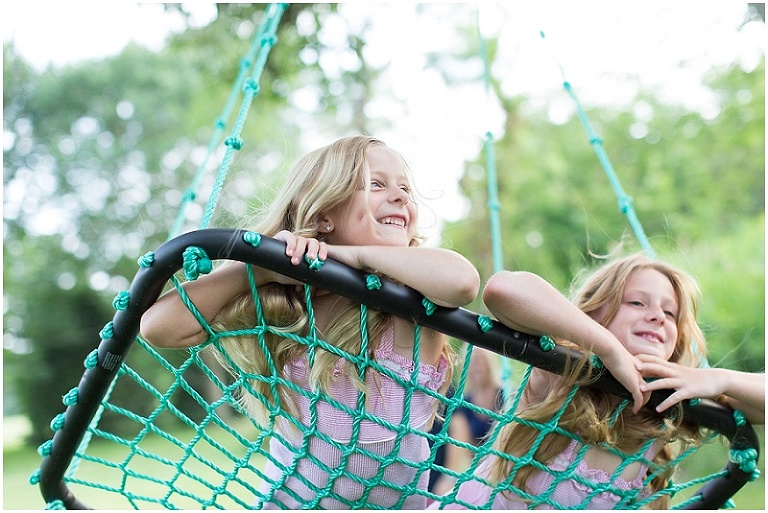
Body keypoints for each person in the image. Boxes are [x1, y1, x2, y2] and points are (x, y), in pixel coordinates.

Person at [140, 135, 481, 509]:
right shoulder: (291, 312)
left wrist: (347, 255)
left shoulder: (408, 311)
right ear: (323, 216)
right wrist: (260, 270)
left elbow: (462, 282)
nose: (401, 196)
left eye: (405, 188)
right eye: (377, 184)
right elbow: (156, 326)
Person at [438, 253, 714, 509]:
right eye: (637, 302)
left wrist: (716, 380)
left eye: (670, 313)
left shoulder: (665, 408)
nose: (657, 316)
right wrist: (608, 348)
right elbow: (502, 289)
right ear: (594, 317)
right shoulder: (562, 378)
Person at [429, 346, 504, 496]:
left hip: (501, 461)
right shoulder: (466, 403)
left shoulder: (505, 397)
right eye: (472, 362)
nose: (476, 366)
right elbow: (462, 445)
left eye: (480, 361)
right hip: (479, 467)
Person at [637, 354, 765, 425]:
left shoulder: (681, 393)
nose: (660, 316)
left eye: (669, 313)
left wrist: (721, 379)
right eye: (636, 304)